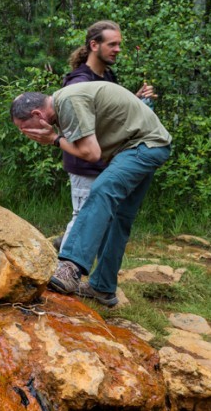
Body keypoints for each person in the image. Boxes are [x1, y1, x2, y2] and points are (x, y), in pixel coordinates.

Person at [11, 81, 171, 306]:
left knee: (102, 190)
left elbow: (91, 153)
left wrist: (54, 140)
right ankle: (102, 288)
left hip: (141, 146)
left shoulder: (67, 101)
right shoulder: (65, 101)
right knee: (118, 218)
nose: (26, 133)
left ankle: (70, 267)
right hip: (149, 145)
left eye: (25, 127)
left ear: (38, 114)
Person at [57, 20, 156, 249]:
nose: (118, 50)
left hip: (104, 160)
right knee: (83, 219)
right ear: (94, 45)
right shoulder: (79, 82)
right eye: (112, 44)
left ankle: (73, 268)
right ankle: (62, 272)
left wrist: (135, 99)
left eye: (119, 44)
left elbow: (106, 114)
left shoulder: (107, 76)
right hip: (84, 163)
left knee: (100, 220)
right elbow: (82, 125)